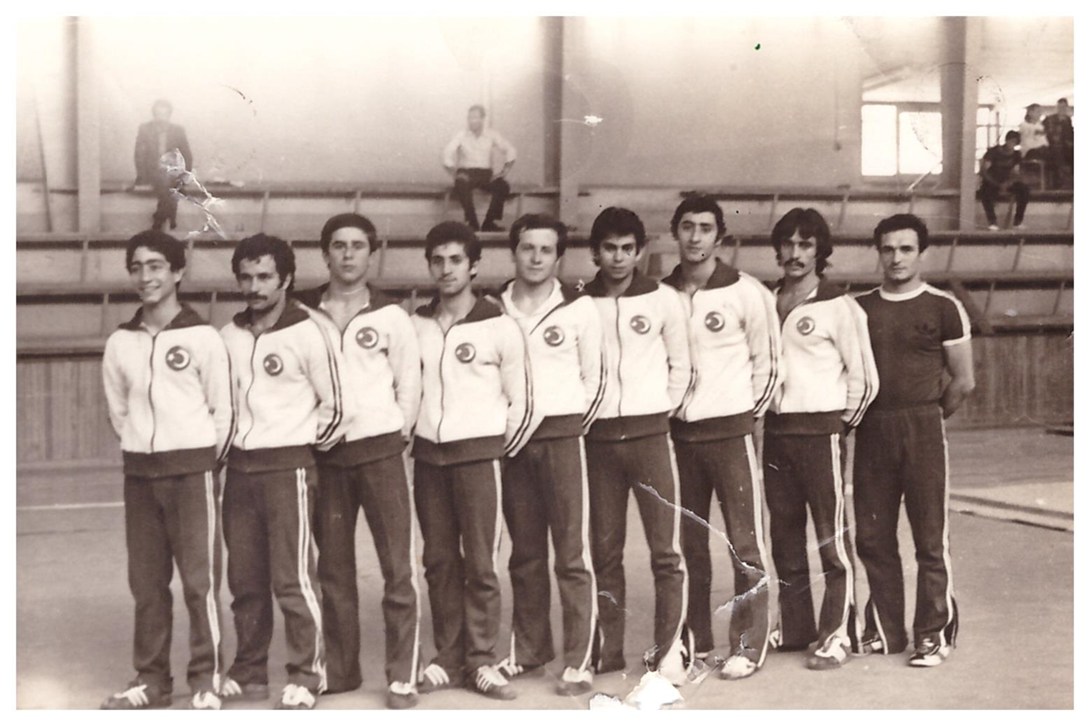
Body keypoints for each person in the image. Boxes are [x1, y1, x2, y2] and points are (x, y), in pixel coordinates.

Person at [100, 231, 234, 710]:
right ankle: (152, 680)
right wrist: (143, 448)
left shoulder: (204, 338)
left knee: (199, 583)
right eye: (137, 267)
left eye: (155, 266)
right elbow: (119, 412)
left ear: (178, 272)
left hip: (192, 473)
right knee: (147, 585)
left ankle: (206, 679)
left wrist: (200, 462)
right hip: (140, 475)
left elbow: (223, 411)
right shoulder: (120, 342)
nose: (145, 276)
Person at [294, 214, 423, 709]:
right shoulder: (302, 313)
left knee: (397, 568)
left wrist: (394, 435)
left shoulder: (392, 316)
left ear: (372, 253)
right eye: (339, 245)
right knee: (334, 570)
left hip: (381, 453)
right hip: (326, 457)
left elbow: (408, 385)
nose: (348, 254)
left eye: (357, 246)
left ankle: (402, 673)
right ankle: (341, 670)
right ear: (325, 253)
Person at [218, 234, 347, 710]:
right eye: (246, 277)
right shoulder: (228, 336)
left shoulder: (310, 332)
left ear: (286, 279)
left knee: (292, 579)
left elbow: (337, 407)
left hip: (288, 470)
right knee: (244, 579)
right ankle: (249, 670)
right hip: (239, 471)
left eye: (264, 277)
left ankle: (307, 674)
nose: (254, 287)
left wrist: (300, 447)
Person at [410, 221, 536, 701]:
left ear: (474, 265)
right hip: (429, 458)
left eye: (456, 260)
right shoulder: (416, 325)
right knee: (439, 561)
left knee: (481, 563)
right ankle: (447, 656)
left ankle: (480, 659)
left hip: (479, 459)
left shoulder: (499, 325)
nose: (446, 269)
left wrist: (493, 451)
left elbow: (522, 401)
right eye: (437, 261)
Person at [659, 195, 782, 681]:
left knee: (743, 544)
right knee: (688, 545)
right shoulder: (660, 294)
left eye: (705, 228)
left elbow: (768, 365)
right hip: (678, 437)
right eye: (687, 227)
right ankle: (694, 641)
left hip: (730, 434)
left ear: (719, 236)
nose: (695, 237)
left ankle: (748, 645)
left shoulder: (747, 292)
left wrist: (743, 419)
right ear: (675, 232)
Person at [853, 213, 975, 668]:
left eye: (906, 249)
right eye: (888, 249)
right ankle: (885, 630)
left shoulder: (944, 307)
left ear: (922, 253)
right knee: (873, 536)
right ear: (878, 253)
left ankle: (933, 634)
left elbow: (963, 381)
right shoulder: (859, 308)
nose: (896, 258)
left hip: (922, 426)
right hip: (872, 428)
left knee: (929, 537)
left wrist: (928, 416)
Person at [493, 214, 605, 696]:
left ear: (559, 258)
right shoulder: (493, 308)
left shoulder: (579, 308)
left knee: (571, 553)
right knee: (525, 552)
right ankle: (529, 649)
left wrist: (568, 427)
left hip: (562, 438)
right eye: (527, 248)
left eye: (545, 250)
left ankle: (580, 658)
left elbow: (595, 380)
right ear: (514, 252)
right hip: (511, 442)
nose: (535, 258)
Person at [762, 208, 879, 671]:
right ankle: (796, 628)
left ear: (820, 251)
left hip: (821, 434)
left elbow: (865, 379)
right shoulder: (767, 301)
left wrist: (838, 426)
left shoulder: (839, 306)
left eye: (805, 244)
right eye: (788, 244)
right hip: (777, 433)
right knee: (785, 536)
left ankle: (838, 634)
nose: (795, 253)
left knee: (831, 539)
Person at [582, 207, 692, 684]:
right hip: (599, 442)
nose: (619, 257)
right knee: (604, 552)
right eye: (609, 248)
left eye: (628, 248)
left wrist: (656, 411)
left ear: (640, 251)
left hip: (650, 439)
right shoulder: (581, 304)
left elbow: (682, 366)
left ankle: (669, 651)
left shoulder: (664, 300)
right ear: (595, 252)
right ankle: (607, 650)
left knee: (665, 551)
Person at [442, 105, 517, 232]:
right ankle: (472, 222)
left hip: (485, 174)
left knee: (502, 186)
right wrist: (455, 173)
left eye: (475, 118)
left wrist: (504, 171)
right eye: (470, 118)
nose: (472, 121)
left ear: (483, 119)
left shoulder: (491, 134)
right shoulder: (461, 135)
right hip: (466, 173)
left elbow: (510, 150)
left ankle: (489, 223)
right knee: (460, 183)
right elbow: (446, 154)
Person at [134, 99, 193, 232]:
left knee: (168, 180)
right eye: (158, 114)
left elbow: (186, 154)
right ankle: (170, 214)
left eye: (164, 114)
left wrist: (186, 175)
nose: (161, 118)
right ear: (154, 115)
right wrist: (141, 176)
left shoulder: (178, 130)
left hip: (172, 172)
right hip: (152, 172)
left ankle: (159, 217)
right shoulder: (145, 129)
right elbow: (139, 155)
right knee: (166, 182)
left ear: (169, 115)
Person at [979, 130, 1029, 231]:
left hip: (1007, 182)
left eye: (1014, 142)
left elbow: (1016, 172)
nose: (1012, 144)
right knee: (985, 192)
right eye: (1011, 141)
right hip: (992, 181)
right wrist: (996, 183)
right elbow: (984, 171)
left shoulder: (1016, 155)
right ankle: (992, 222)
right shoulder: (993, 152)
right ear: (1006, 140)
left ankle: (1018, 221)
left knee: (1024, 190)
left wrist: (1008, 183)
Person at [1042, 98, 1074, 189]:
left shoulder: (1067, 119)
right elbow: (1043, 132)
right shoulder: (1049, 119)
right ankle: (1059, 182)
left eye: (1063, 107)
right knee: (1057, 155)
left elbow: (1070, 133)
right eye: (1059, 107)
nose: (1061, 109)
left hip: (1066, 146)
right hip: (1053, 146)